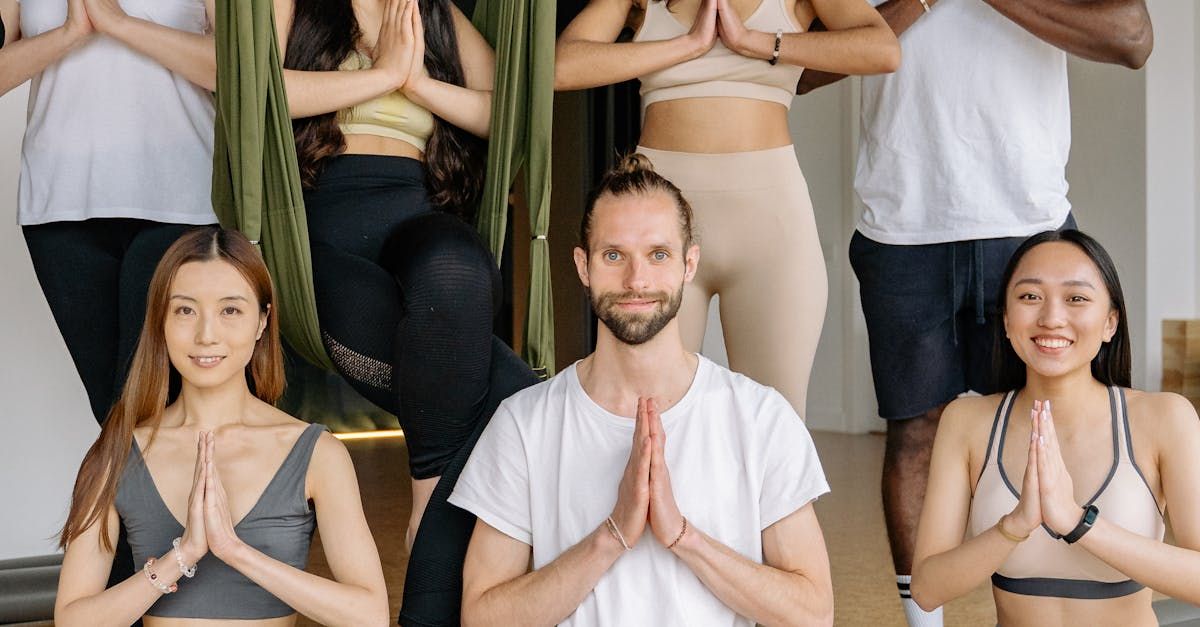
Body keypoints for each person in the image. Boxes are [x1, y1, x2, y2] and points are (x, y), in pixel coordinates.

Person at [794, 2, 1153, 624]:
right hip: (902, 226)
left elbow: (1132, 38)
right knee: (915, 432)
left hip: (1029, 224)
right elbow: (797, 68)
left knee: (1048, 425)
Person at [450, 155, 834, 626]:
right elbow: (482, 618)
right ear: (583, 266)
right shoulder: (523, 424)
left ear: (689, 263)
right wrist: (611, 535)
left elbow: (813, 614)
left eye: (658, 254)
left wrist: (683, 536)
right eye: (614, 255)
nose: (637, 280)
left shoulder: (761, 418)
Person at [273, 0, 538, 622]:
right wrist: (381, 76)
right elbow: (260, 92)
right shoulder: (298, 6)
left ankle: (426, 502)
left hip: (418, 213)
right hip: (319, 224)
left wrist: (416, 82)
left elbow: (511, 110)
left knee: (458, 265)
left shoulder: (437, 13)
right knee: (526, 403)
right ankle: (435, 574)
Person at [555, 0, 898, 417]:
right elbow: (562, 66)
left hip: (770, 227)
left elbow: (882, 49)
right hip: (659, 230)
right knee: (647, 415)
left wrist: (753, 42)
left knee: (777, 422)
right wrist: (687, 45)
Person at [54, 227, 389, 627]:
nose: (206, 335)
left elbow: (370, 616)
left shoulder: (317, 452)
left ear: (262, 321)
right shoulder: (118, 452)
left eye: (230, 310)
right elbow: (73, 620)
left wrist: (234, 551)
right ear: (161, 320)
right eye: (185, 310)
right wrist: (183, 556)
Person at [909, 230, 1200, 626]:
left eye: (1076, 298)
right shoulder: (967, 422)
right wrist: (1014, 526)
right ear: (1007, 320)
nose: (1051, 318)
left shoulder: (1164, 418)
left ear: (1110, 322)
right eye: (1030, 297)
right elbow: (927, 589)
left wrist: (1079, 523)